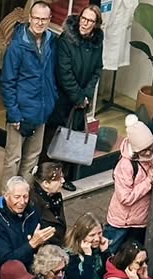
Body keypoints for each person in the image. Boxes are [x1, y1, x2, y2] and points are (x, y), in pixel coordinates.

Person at [1, 0, 57, 184]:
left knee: (33, 157)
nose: (39, 23)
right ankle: (7, 199)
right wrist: (14, 114)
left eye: (43, 19)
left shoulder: (51, 42)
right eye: (36, 18)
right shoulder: (17, 46)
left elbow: (51, 75)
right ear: (29, 18)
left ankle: (23, 196)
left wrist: (51, 100)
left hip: (41, 110)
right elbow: (8, 82)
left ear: (49, 20)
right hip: (21, 111)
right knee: (13, 159)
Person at [51, 6, 103, 189]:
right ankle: (51, 176)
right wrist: (79, 96)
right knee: (58, 137)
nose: (84, 23)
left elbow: (97, 69)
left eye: (89, 21)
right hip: (64, 99)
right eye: (83, 18)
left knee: (74, 137)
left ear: (96, 25)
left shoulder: (97, 42)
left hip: (82, 99)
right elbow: (64, 73)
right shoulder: (66, 39)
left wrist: (87, 94)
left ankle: (66, 176)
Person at [104, 115, 153, 247]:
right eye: (144, 150)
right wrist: (148, 181)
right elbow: (125, 197)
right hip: (122, 222)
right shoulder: (125, 165)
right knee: (109, 252)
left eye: (150, 148)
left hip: (141, 220)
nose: (148, 153)